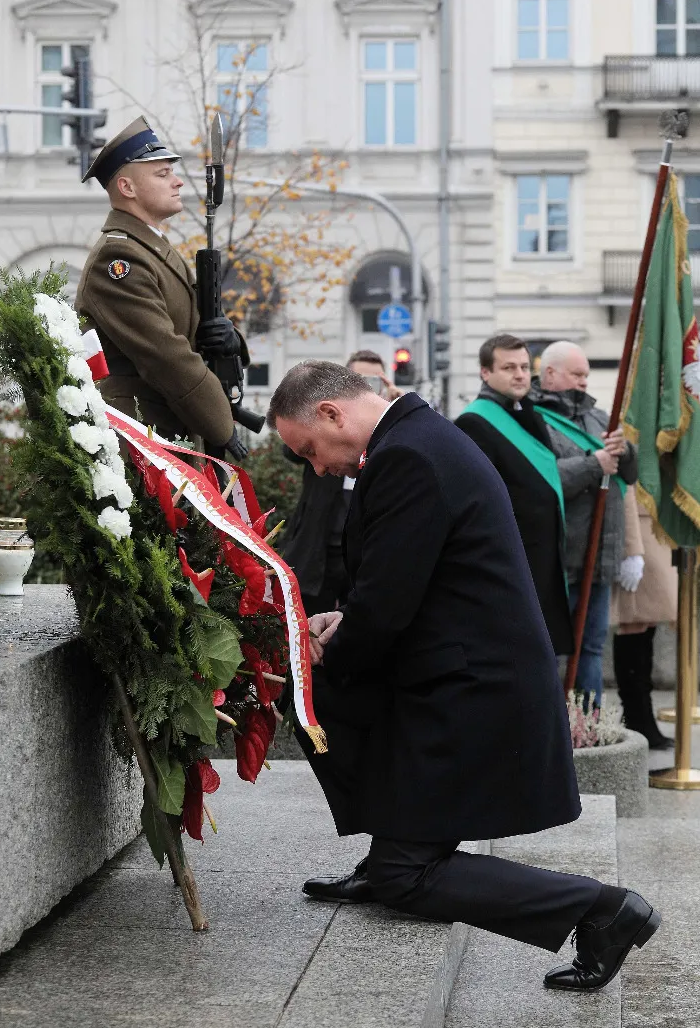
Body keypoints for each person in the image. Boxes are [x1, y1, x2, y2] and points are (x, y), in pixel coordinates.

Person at [267, 360, 660, 992]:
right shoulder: (415, 439)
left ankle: (600, 909)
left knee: (405, 873)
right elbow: (407, 582)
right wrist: (346, 620)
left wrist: (322, 655)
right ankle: (391, 843)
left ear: (332, 413)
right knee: (342, 724)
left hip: (472, 689)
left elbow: (390, 603)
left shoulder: (406, 456)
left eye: (308, 450)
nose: (316, 468)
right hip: (463, 673)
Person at [75, 116, 246, 452]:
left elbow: (193, 325)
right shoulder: (119, 259)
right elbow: (164, 354)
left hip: (166, 431)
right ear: (127, 188)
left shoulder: (153, 249)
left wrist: (230, 338)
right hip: (138, 438)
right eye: (163, 173)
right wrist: (221, 425)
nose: (178, 182)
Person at [532, 341, 638, 705]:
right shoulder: (532, 419)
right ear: (549, 374)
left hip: (599, 557)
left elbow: (631, 475)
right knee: (553, 651)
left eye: (586, 376)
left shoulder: (597, 417)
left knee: (591, 649)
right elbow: (541, 479)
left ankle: (589, 727)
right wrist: (594, 464)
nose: (583, 382)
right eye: (576, 374)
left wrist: (625, 451)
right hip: (559, 559)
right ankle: (555, 730)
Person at [455, 334, 572, 654]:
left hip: (543, 555)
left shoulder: (529, 415)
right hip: (513, 560)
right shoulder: (473, 422)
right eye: (508, 367)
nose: (520, 374)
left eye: (524, 366)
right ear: (485, 373)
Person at [282, 351, 401, 615]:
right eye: (361, 379)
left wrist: (393, 409)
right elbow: (291, 451)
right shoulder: (325, 426)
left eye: (375, 382)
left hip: (365, 544)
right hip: (321, 540)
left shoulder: (394, 435)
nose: (322, 467)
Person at [612, 487, 676, 750]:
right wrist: (631, 548)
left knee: (646, 625)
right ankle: (636, 715)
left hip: (655, 521)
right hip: (637, 525)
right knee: (634, 623)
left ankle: (640, 716)